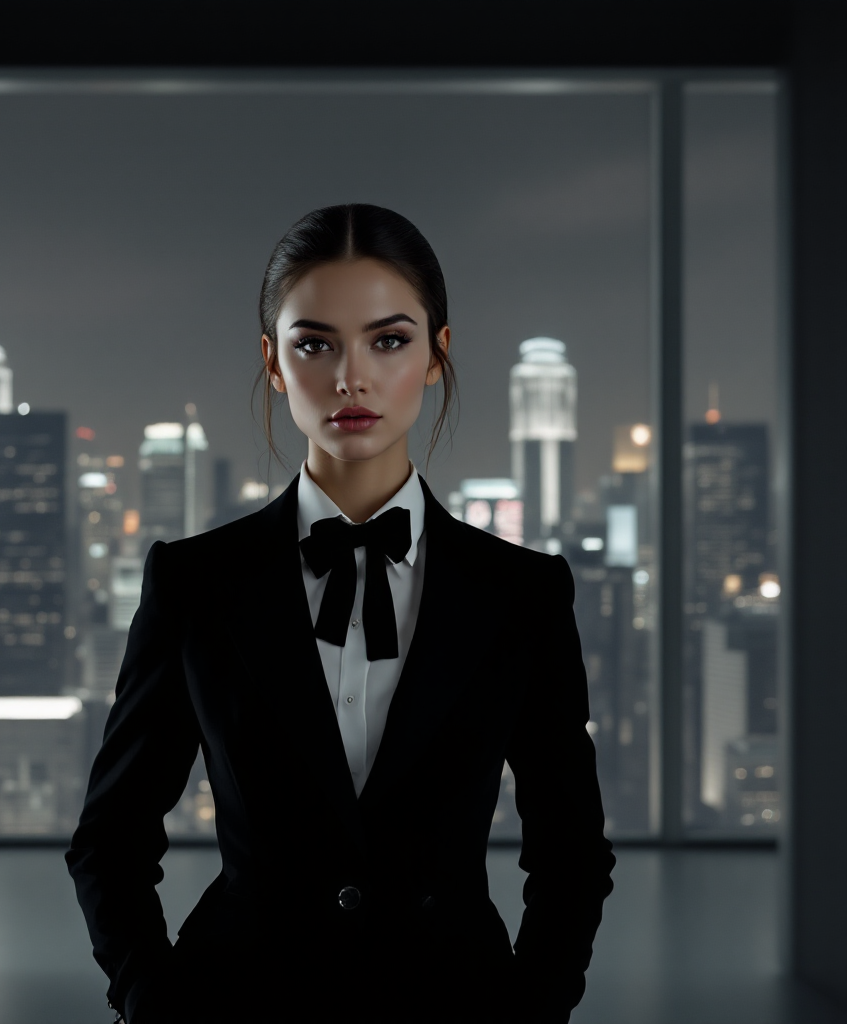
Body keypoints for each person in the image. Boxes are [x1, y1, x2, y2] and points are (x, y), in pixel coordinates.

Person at [66, 204, 615, 1024]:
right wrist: (154, 1001)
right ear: (274, 363)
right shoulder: (196, 582)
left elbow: (570, 852)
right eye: (314, 343)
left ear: (437, 354)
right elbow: (111, 838)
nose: (349, 377)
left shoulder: (521, 594)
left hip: (455, 1004)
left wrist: (533, 1011)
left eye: (388, 340)